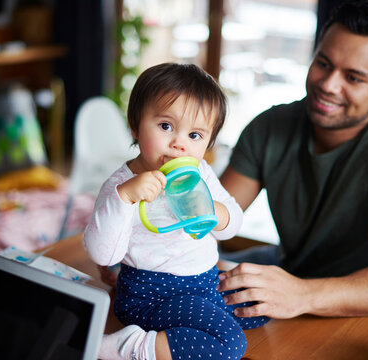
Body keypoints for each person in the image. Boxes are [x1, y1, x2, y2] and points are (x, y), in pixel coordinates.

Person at [216, 0, 368, 320]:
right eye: (323, 63)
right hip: (290, 273)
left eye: (353, 77)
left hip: (364, 310)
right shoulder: (270, 126)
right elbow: (210, 222)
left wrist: (302, 294)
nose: (328, 84)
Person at [83, 63, 268, 360]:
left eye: (195, 135)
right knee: (231, 344)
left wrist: (216, 213)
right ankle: (122, 346)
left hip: (203, 282)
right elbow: (102, 255)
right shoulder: (121, 185)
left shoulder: (201, 173)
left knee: (259, 303)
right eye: (166, 126)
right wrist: (125, 198)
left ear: (209, 142)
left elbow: (232, 222)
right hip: (153, 294)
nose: (179, 143)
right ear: (135, 125)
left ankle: (176, 337)